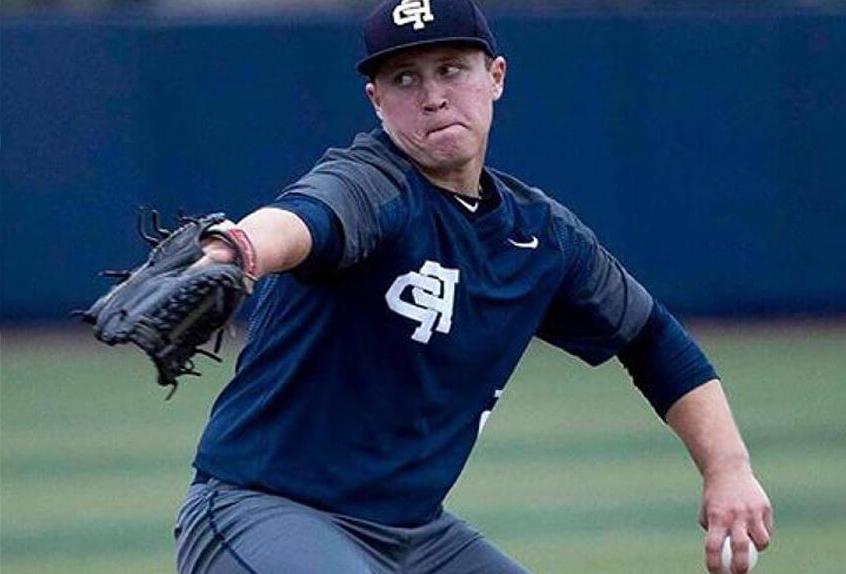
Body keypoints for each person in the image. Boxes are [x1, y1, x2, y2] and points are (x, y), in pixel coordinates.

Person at [174, 1, 773, 572]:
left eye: (451, 69)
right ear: (375, 101)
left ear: (496, 76)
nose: (433, 96)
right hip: (264, 509)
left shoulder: (541, 237)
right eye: (405, 79)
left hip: (413, 537)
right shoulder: (375, 183)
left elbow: (652, 339)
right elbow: (310, 216)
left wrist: (728, 469)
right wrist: (239, 249)